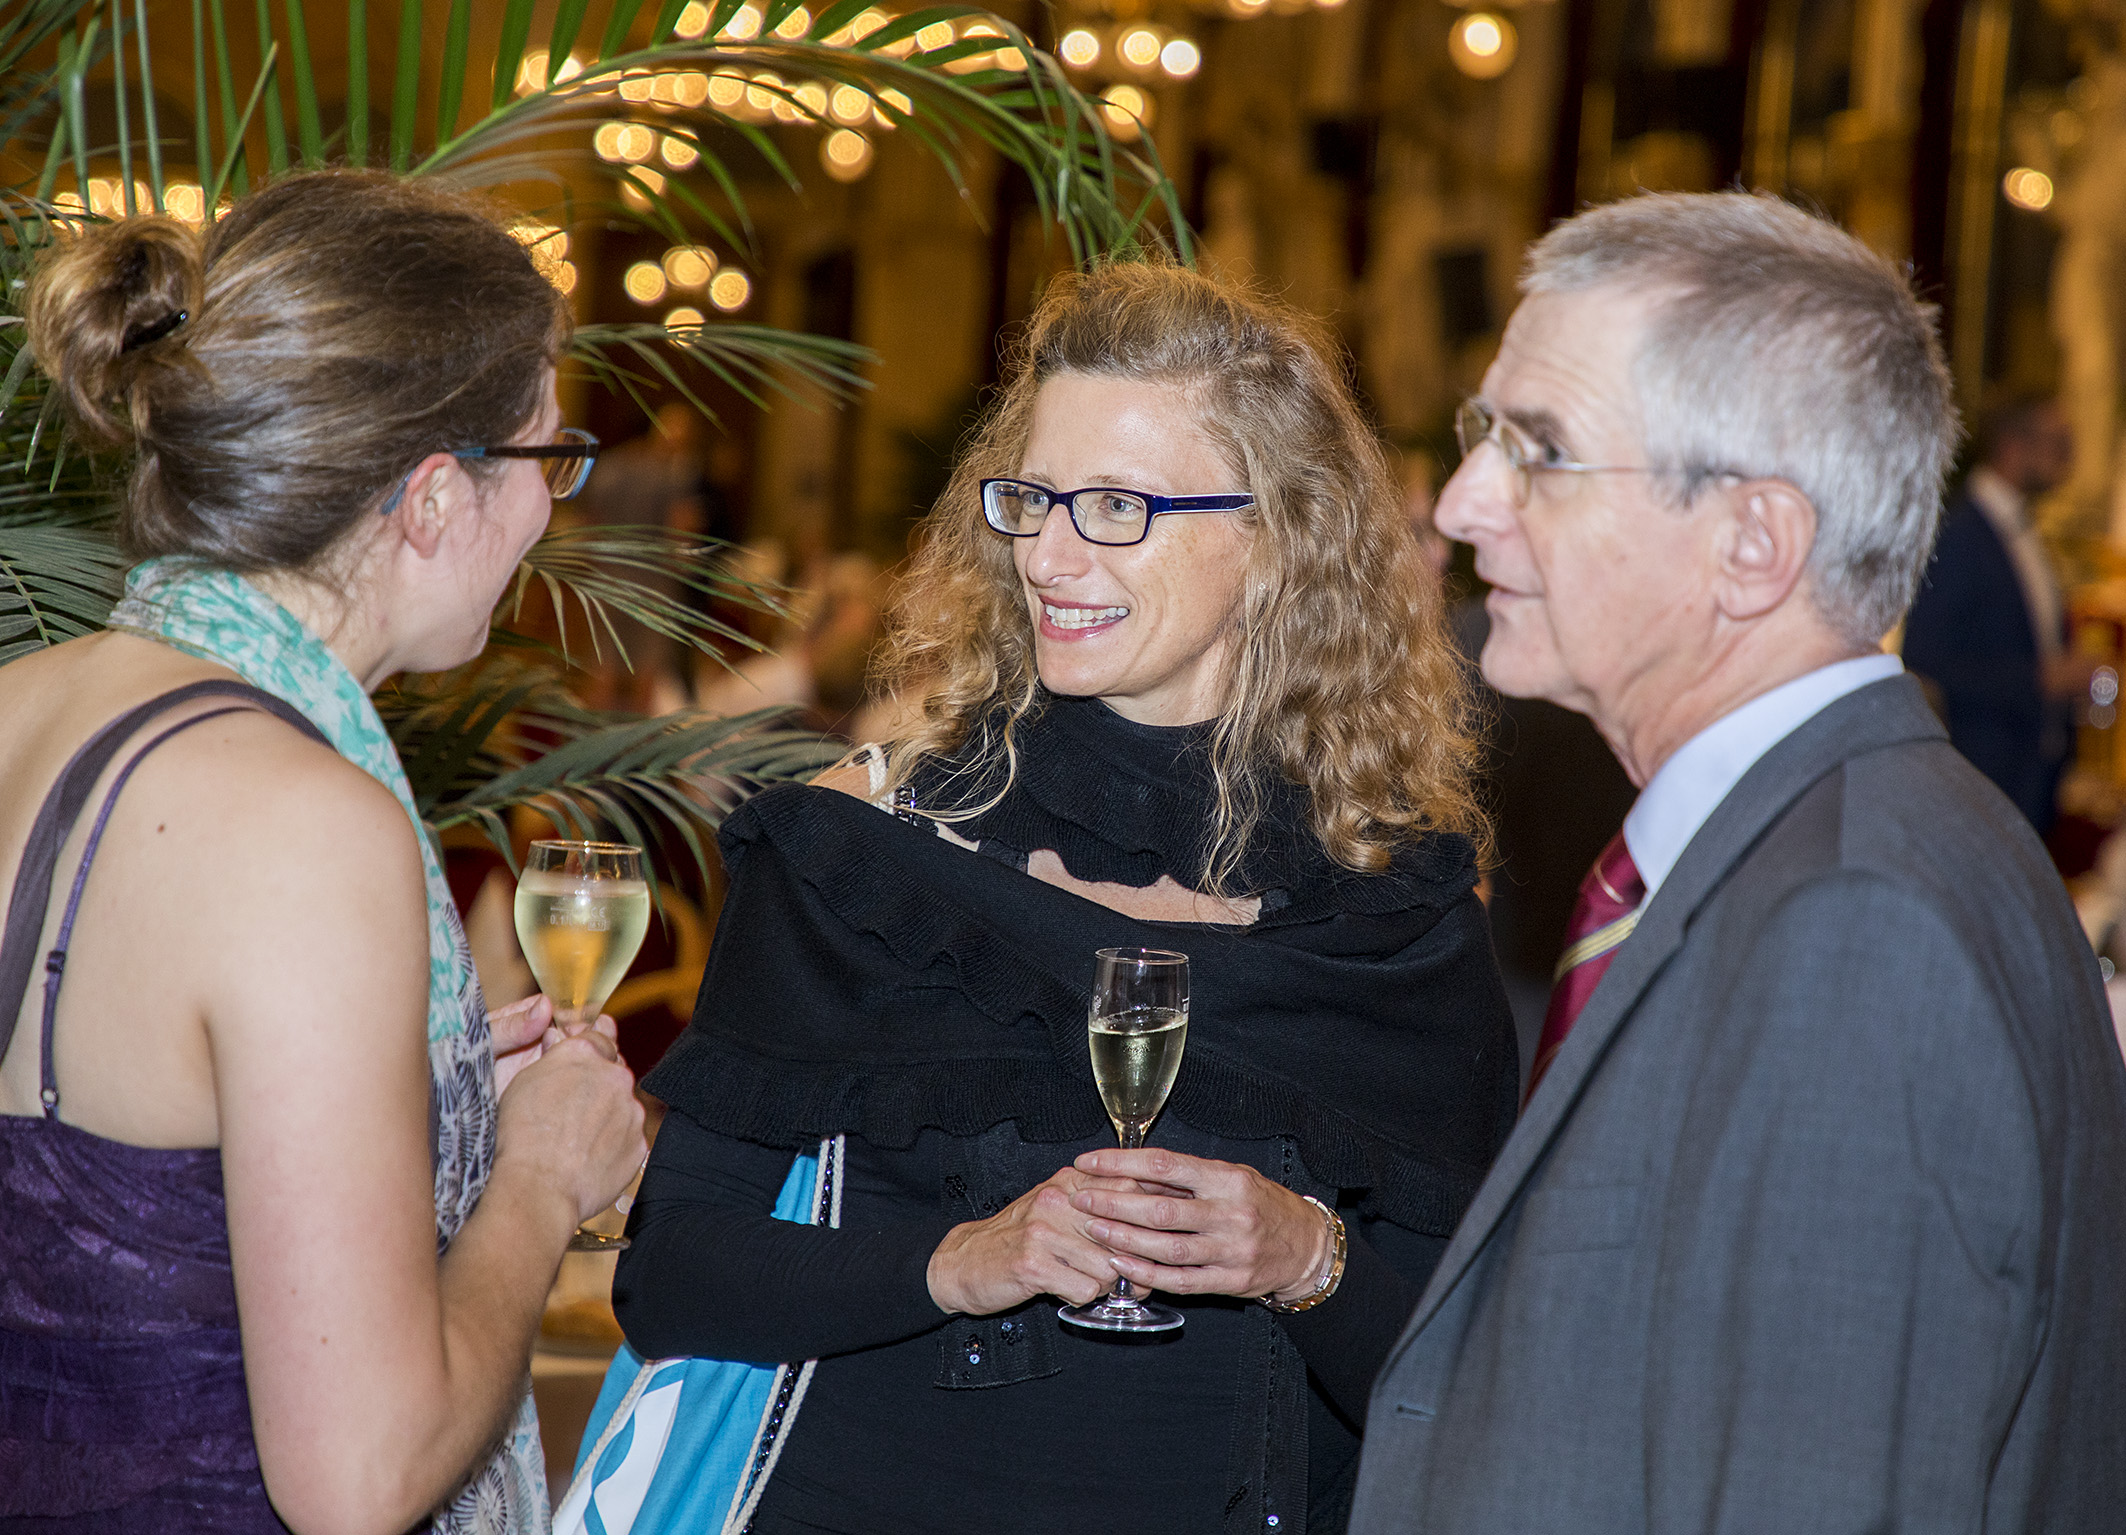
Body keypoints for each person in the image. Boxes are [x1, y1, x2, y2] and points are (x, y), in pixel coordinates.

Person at [612, 261, 1520, 1534]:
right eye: (1032, 498)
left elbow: (1474, 1390)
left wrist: (1306, 1259)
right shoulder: (869, 847)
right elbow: (671, 1273)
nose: (1045, 553)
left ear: (1276, 535)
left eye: (1113, 506)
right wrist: (961, 1260)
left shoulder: (1394, 912)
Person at [1350, 193, 2126, 1531]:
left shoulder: (1853, 927)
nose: (1465, 505)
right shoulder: (1825, 841)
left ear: (1752, 544)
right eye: (1482, 435)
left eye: (1540, 451)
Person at [0, 173, 645, 1532]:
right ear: (433, 496)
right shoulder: (303, 824)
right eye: (548, 455)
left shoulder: (23, 703)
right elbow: (362, 1472)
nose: (551, 511)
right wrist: (537, 1174)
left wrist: (425, 1099)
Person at [1902, 393, 2090, 835]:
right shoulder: (1960, 533)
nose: (2068, 459)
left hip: (2030, 775)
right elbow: (1924, 661)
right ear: (2012, 445)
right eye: (2058, 443)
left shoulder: (2021, 529)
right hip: (1981, 776)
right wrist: (2038, 680)